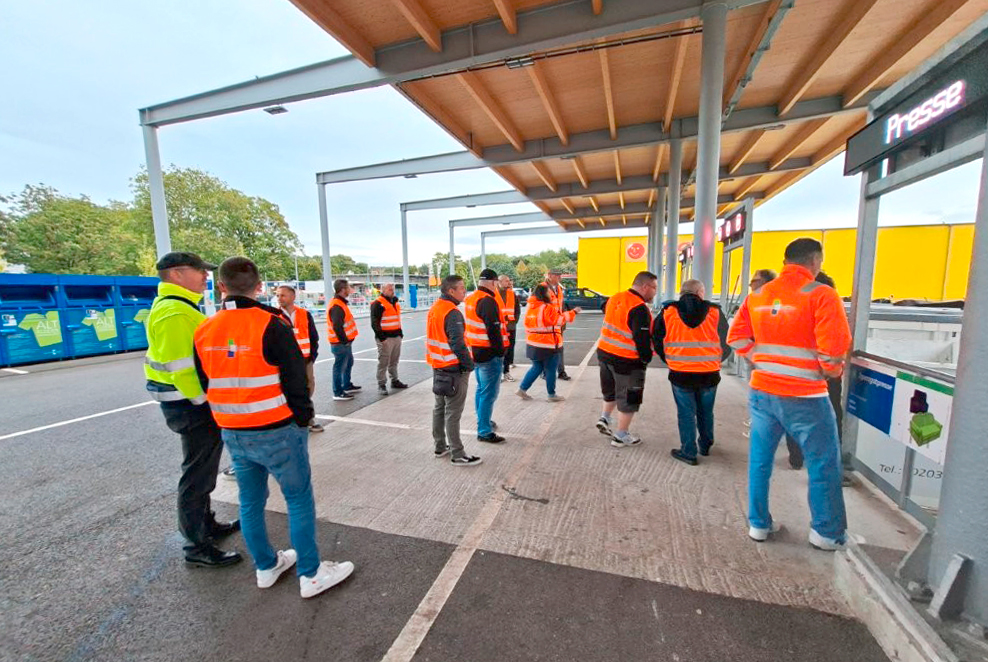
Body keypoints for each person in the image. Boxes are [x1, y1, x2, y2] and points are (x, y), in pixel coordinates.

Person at [194, 257, 354, 598]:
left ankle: (266, 566)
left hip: (233, 431)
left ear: (221, 287)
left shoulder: (204, 329)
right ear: (258, 286)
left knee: (250, 501)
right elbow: (296, 379)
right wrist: (302, 418)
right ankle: (311, 574)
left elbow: (204, 380)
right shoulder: (272, 323)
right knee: (298, 499)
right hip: (277, 428)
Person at [728, 238, 851, 551]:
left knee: (759, 460)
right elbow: (834, 350)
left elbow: (736, 336)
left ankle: (758, 524)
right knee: (823, 463)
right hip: (807, 395)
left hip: (763, 391)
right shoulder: (823, 295)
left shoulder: (757, 294)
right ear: (815, 261)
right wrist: (830, 371)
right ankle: (826, 533)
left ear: (785, 261)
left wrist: (761, 359)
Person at [144, 251, 242, 567]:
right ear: (176, 274)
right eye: (200, 271)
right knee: (197, 475)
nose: (205, 276)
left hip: (188, 405)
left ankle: (206, 524)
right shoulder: (174, 313)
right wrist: (205, 401)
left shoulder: (180, 308)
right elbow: (183, 368)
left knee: (203, 469)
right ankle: (197, 545)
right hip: (189, 406)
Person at [652, 279, 731, 466]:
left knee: (686, 413)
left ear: (682, 292)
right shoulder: (715, 312)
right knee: (706, 411)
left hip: (680, 372)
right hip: (709, 372)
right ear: (700, 292)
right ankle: (705, 445)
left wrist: (670, 359)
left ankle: (688, 452)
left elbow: (656, 338)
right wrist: (716, 360)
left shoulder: (668, 312)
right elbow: (727, 340)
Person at [785, 270, 848, 483]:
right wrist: (832, 371)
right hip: (824, 377)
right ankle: (829, 465)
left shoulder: (792, 309)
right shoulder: (830, 310)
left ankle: (796, 457)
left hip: (795, 376)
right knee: (830, 419)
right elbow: (836, 342)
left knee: (795, 417)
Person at [595, 271, 658, 447]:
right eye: (654, 288)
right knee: (629, 399)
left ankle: (605, 418)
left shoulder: (615, 297)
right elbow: (642, 339)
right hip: (627, 361)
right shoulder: (639, 308)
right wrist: (645, 359)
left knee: (611, 391)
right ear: (645, 287)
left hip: (604, 354)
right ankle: (621, 435)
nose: (655, 292)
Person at [427, 275, 482, 466]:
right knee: (453, 412)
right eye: (461, 288)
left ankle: (440, 446)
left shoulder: (435, 308)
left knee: (439, 408)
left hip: (438, 366)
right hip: (453, 369)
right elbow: (457, 343)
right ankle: (458, 454)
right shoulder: (452, 313)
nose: (464, 291)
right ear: (451, 291)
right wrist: (468, 365)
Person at [515, 284, 580, 402]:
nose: (551, 295)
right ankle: (551, 395)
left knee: (536, 367)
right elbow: (559, 320)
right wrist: (573, 312)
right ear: (543, 294)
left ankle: (522, 389)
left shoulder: (531, 307)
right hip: (548, 344)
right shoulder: (546, 308)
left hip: (533, 344)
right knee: (550, 369)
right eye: (548, 293)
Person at [464, 268, 506, 444]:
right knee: (489, 393)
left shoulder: (471, 298)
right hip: (489, 353)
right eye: (497, 283)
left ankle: (483, 421)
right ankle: (484, 431)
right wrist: (500, 351)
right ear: (493, 282)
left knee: (481, 389)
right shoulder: (488, 301)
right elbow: (493, 330)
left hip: (476, 350)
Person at [276, 285, 323, 433]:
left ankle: (307, 417)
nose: (279, 298)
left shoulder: (304, 314)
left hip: (305, 359)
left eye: (283, 295)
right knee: (285, 389)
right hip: (286, 362)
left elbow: (313, 336)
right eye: (278, 295)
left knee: (308, 387)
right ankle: (289, 418)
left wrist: (312, 355)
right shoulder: (274, 315)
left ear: (293, 297)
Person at [370, 283, 409, 395]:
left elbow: (396, 319)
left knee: (394, 361)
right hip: (385, 338)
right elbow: (374, 323)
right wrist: (382, 338)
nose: (393, 291)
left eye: (393, 289)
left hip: (396, 336)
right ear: (383, 290)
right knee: (383, 362)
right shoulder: (378, 304)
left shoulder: (394, 302)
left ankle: (394, 380)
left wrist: (400, 334)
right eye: (390, 289)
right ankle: (381, 384)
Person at [327, 278, 361, 401]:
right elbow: (337, 326)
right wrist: (345, 341)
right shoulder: (337, 305)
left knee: (348, 363)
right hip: (340, 343)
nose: (350, 290)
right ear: (342, 290)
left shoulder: (340, 303)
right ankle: (338, 392)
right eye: (348, 288)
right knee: (339, 366)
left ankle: (346, 385)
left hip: (344, 343)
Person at [543, 268, 571, 380]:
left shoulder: (559, 288)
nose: (560, 277)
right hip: (547, 325)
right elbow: (538, 307)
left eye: (560, 275)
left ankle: (561, 372)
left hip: (558, 325)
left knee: (559, 348)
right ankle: (545, 372)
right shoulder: (542, 288)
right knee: (547, 349)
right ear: (549, 275)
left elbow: (561, 306)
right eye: (557, 275)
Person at [495, 275, 520, 382]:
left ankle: (506, 372)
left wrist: (514, 322)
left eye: (509, 281)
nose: (509, 283)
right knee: (499, 351)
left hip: (510, 328)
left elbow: (517, 310)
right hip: (499, 329)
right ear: (499, 282)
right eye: (506, 281)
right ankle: (499, 373)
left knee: (509, 350)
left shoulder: (512, 294)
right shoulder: (493, 294)